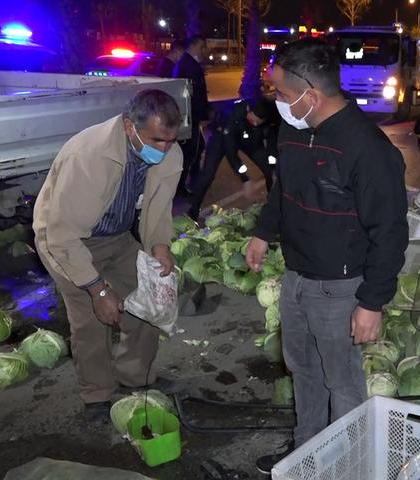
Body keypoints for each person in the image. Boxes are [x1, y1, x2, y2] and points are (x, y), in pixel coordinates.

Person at [244, 39, 408, 473]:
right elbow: (284, 190)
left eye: (280, 93)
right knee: (303, 371)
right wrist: (263, 232)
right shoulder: (294, 129)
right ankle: (308, 455)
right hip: (297, 277)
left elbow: (390, 231)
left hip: (341, 288)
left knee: (344, 382)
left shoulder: (368, 150)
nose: (275, 101)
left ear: (309, 96)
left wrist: (372, 301)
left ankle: (350, 465)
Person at [32, 90, 182, 422]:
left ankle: (135, 376)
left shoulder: (170, 153)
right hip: (67, 241)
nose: (165, 149)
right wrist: (98, 289)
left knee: (147, 301)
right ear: (130, 128)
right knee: (91, 317)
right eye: (157, 140)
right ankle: (97, 395)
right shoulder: (89, 155)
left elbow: (159, 211)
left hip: (116, 236)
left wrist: (160, 245)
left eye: (171, 140)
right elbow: (62, 235)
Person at [189, 97, 280, 220]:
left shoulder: (269, 115)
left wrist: (273, 166)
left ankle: (273, 208)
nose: (256, 123)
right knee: (208, 174)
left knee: (269, 170)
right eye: (254, 121)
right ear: (249, 111)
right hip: (223, 138)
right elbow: (231, 153)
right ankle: (193, 212)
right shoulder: (233, 115)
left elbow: (271, 142)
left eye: (259, 123)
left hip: (248, 138)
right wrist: (245, 179)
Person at [174, 36, 212, 195]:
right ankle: (184, 185)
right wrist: (202, 113)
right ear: (195, 45)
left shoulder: (188, 63)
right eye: (202, 46)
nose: (205, 51)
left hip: (191, 116)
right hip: (190, 117)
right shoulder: (189, 65)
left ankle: (192, 181)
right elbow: (193, 94)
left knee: (198, 147)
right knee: (191, 151)